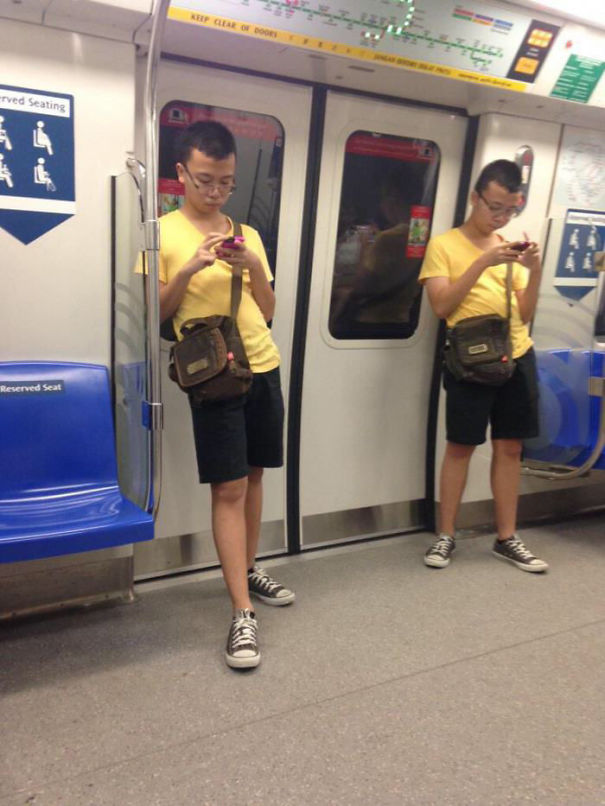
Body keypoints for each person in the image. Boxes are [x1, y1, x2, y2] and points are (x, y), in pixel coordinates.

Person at [158, 121, 294, 669]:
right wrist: (191, 268)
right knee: (228, 489)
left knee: (256, 474)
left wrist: (254, 267)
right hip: (213, 372)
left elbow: (268, 309)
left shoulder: (247, 232)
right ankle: (241, 611)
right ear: (182, 174)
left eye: (226, 183)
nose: (216, 193)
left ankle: (250, 566)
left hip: (262, 365)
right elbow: (158, 312)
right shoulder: (162, 232)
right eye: (207, 180)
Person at [419, 159, 548, 573]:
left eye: (509, 210)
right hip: (470, 356)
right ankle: (445, 535)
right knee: (461, 446)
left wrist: (534, 270)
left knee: (510, 447)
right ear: (475, 197)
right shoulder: (444, 245)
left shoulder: (509, 245)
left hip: (517, 350)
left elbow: (524, 314)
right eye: (494, 206)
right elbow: (442, 306)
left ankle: (506, 537)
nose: (500, 217)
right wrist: (483, 263)